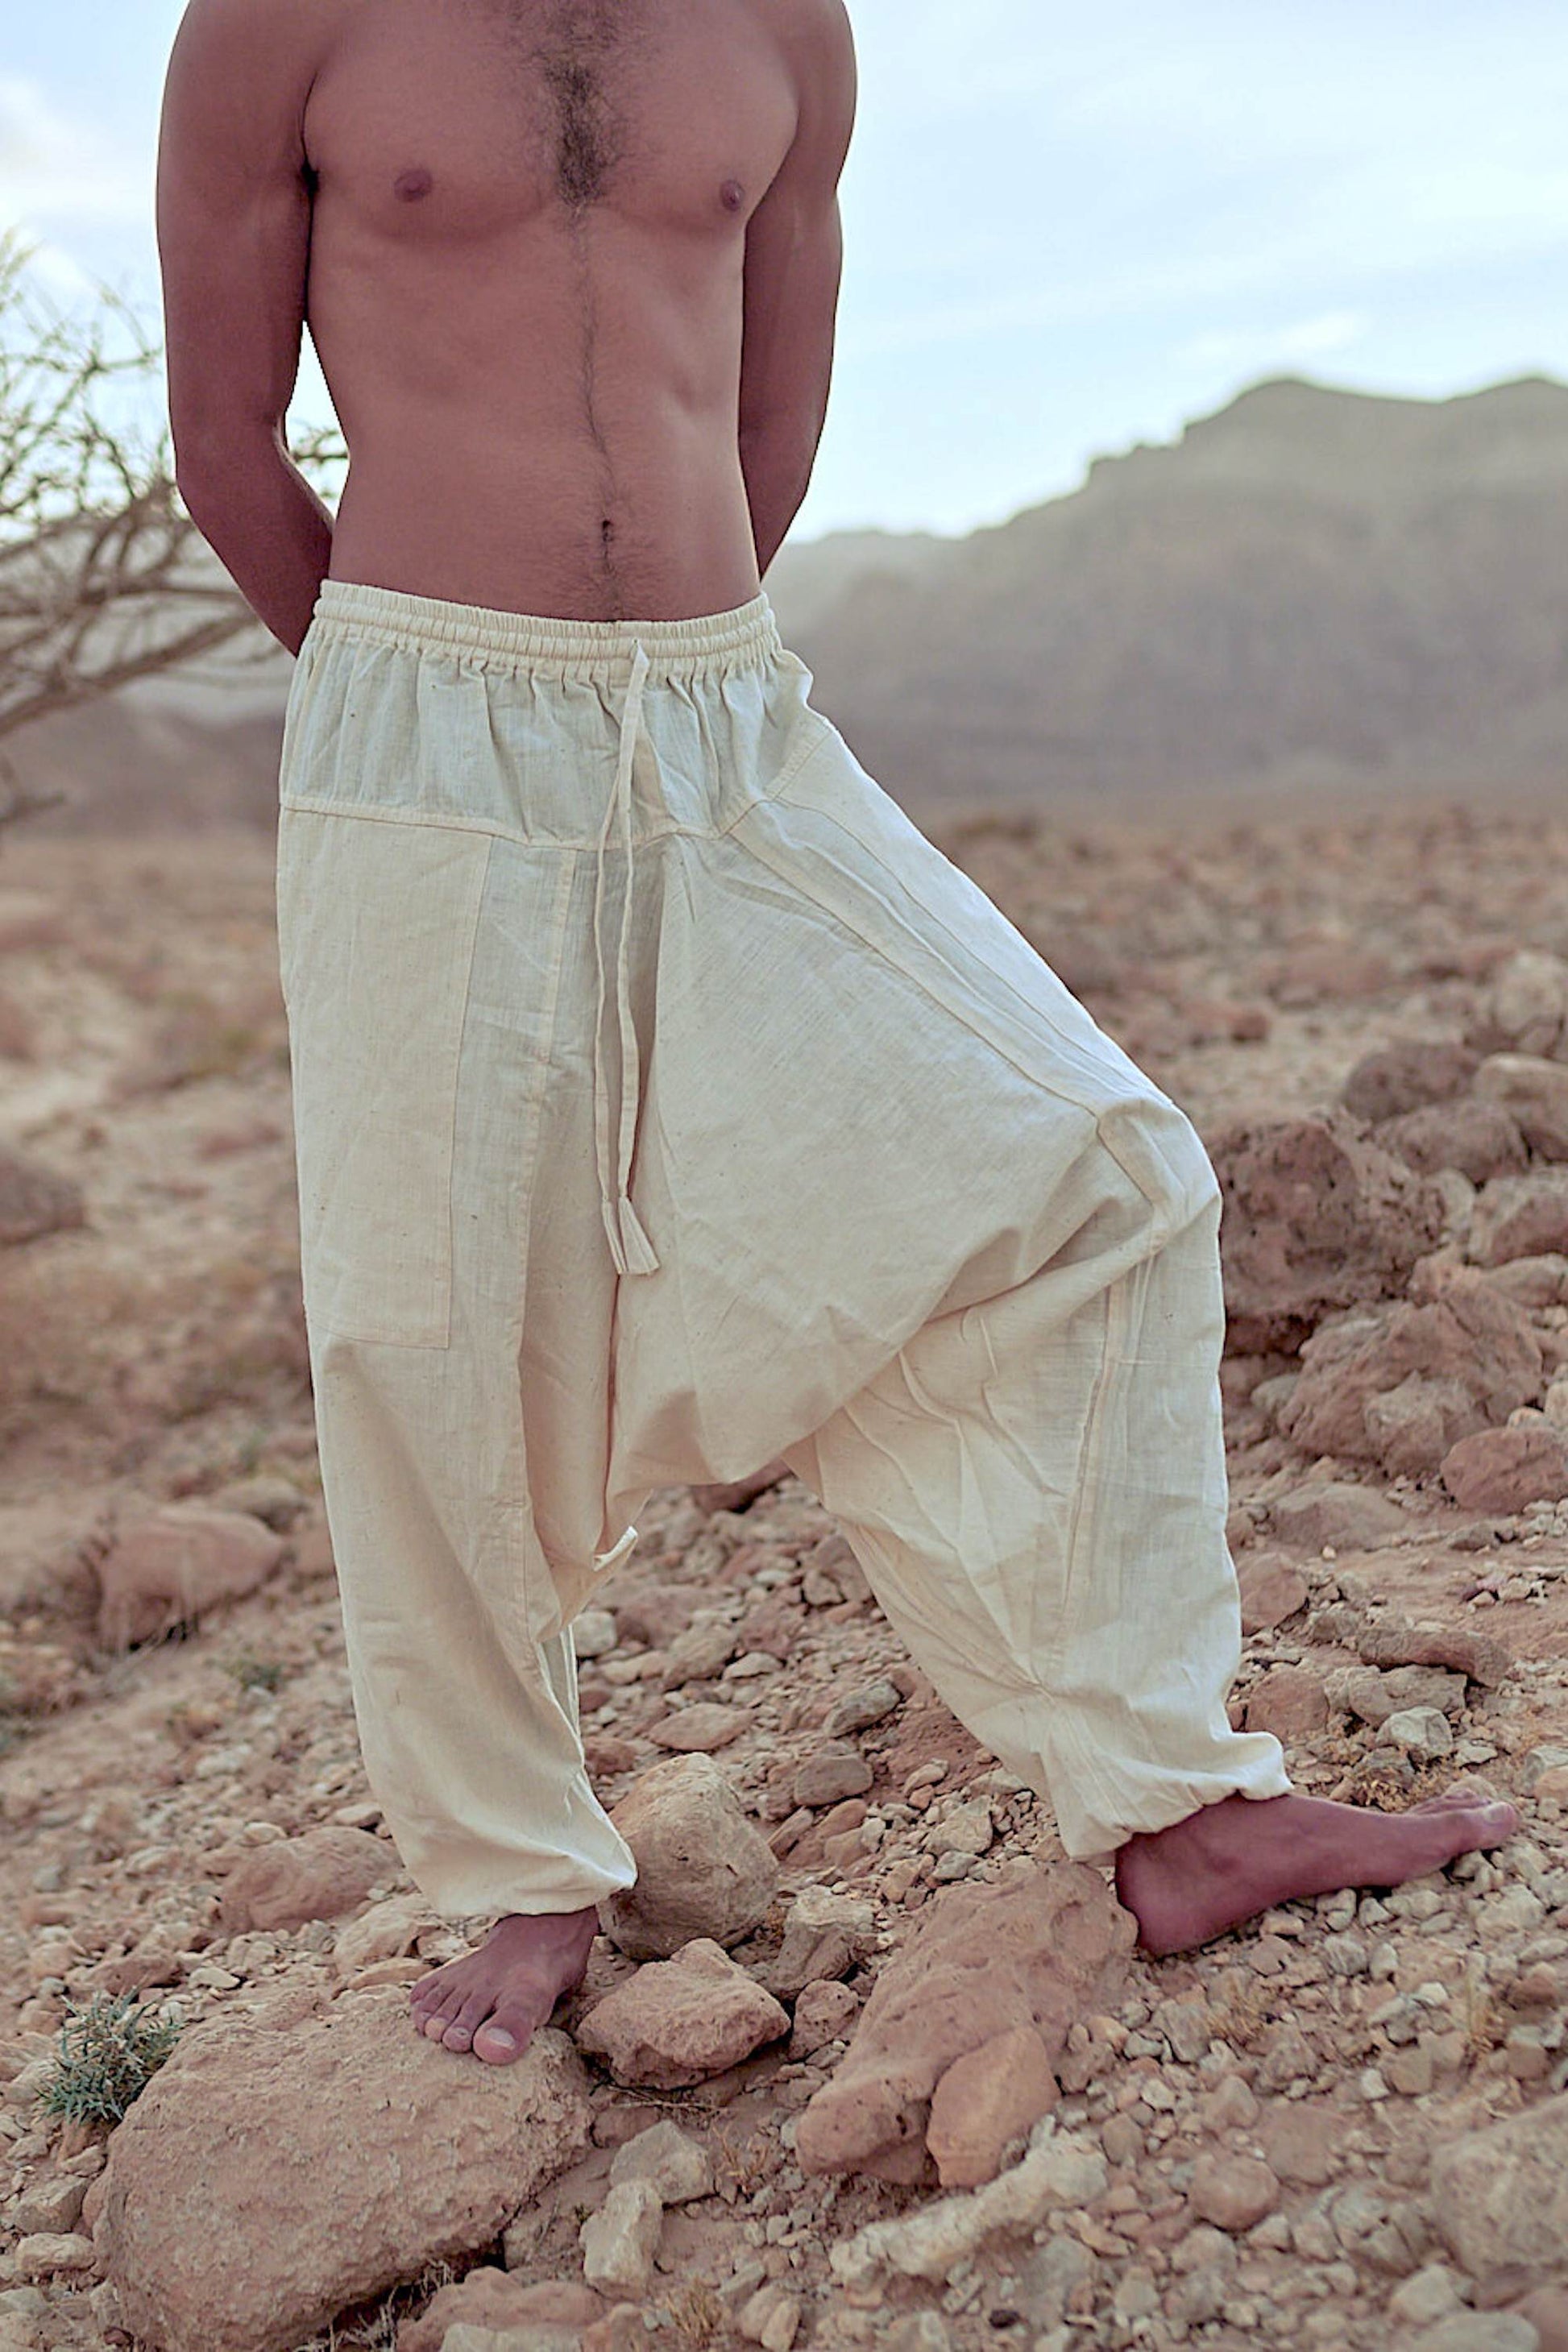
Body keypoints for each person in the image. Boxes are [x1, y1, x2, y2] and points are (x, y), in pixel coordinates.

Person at [155, 0, 1517, 2069]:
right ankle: (522, 1862)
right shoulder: (278, 21)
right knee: (421, 1315)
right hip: (423, 710)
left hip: (720, 704)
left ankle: (1169, 1796)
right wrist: (424, 696)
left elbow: (769, 428)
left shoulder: (785, 24)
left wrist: (660, 658)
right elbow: (230, 441)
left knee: (1099, 1166)